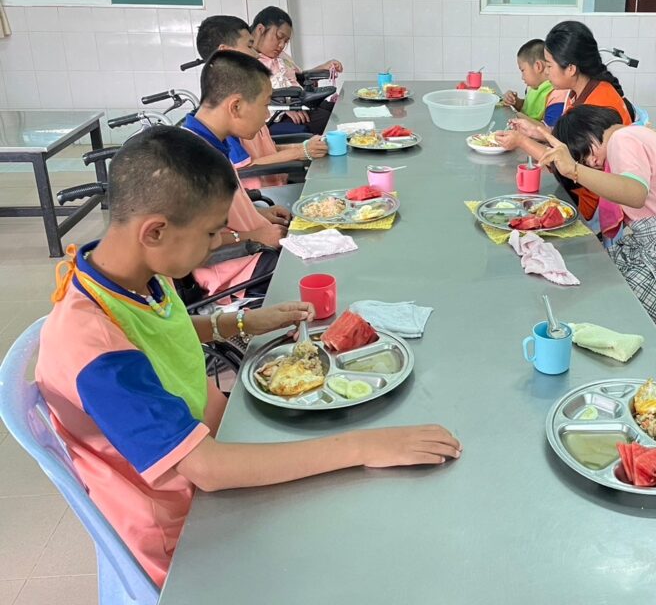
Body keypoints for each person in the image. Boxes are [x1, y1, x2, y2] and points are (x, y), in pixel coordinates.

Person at [35, 126, 462, 588]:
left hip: (218, 434)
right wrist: (364, 448)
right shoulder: (96, 354)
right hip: (188, 526)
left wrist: (240, 323)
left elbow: (161, 329)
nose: (218, 242)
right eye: (211, 232)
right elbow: (207, 470)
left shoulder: (127, 272)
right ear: (155, 231)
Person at [538, 105, 656, 376]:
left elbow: (635, 194)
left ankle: (643, 373)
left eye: (587, 154)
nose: (592, 163)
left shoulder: (621, 139)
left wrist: (575, 170)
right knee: (605, 275)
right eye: (583, 161)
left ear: (593, 132)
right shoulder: (642, 134)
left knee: (614, 303)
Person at [496, 21, 635, 237]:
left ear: (571, 68)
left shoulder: (598, 103)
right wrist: (537, 132)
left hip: (591, 201)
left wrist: (521, 141)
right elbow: (570, 145)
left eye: (549, 66)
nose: (546, 72)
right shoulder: (577, 91)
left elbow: (566, 163)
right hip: (576, 185)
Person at [181, 50, 291, 296]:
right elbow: (188, 243)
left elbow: (220, 215)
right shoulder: (193, 159)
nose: (267, 115)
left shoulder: (210, 142)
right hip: (236, 272)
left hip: (254, 248)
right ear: (236, 106)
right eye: (265, 105)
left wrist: (256, 214)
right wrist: (255, 235)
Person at [195, 15, 327, 189]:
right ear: (224, 52)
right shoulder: (225, 116)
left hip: (275, 186)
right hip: (265, 193)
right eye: (249, 45)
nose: (256, 53)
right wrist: (300, 151)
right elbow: (245, 167)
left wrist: (306, 148)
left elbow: (267, 150)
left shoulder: (245, 98)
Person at [250, 5, 342, 136]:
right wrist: (284, 108)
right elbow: (253, 98)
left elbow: (299, 76)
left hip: (300, 102)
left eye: (285, 41)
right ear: (260, 30)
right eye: (279, 37)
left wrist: (323, 66)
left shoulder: (281, 57)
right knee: (330, 121)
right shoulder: (249, 62)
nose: (281, 45)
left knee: (337, 109)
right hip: (278, 114)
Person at [502, 38, 568, 126]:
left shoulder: (558, 94)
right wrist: (515, 102)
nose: (522, 77)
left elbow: (550, 130)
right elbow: (528, 109)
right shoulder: (533, 88)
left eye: (523, 70)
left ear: (538, 66)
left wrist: (517, 116)